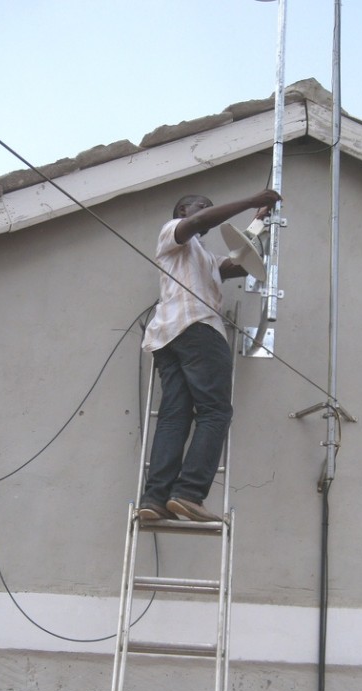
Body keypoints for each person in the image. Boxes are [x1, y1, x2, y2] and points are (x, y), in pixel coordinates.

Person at [138, 187, 281, 523]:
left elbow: (242, 264)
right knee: (215, 411)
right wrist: (248, 199)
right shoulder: (172, 232)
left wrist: (258, 222)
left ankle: (155, 498)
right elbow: (201, 221)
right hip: (198, 330)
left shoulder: (205, 258)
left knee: (175, 415)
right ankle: (188, 493)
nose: (206, 211)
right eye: (200, 205)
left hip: (168, 337)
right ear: (182, 211)